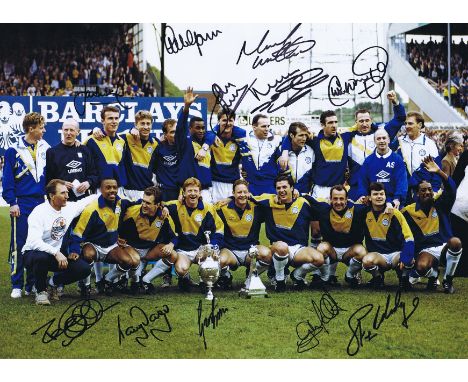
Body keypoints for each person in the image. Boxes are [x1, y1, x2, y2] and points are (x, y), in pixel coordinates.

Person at [22, 180, 98, 305]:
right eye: (63, 193)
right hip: (32, 254)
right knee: (41, 257)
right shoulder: (39, 212)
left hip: (55, 256)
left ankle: (52, 283)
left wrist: (104, 193)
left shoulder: (68, 208)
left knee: (84, 269)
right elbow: (34, 241)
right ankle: (41, 292)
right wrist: (56, 252)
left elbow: (85, 201)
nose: (67, 196)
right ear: (52, 196)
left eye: (67, 192)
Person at [2, 112, 50, 298]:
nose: (44, 130)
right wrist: (12, 202)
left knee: (36, 244)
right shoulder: (14, 150)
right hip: (21, 204)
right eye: (42, 127)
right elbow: (7, 181)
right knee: (18, 244)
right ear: (31, 128)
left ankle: (31, 284)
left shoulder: (45, 147)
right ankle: (16, 284)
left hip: (40, 203)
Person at [252, 174, 324, 292]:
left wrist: (302, 194)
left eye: (285, 187)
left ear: (292, 188)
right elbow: (247, 197)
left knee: (319, 259)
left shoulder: (303, 202)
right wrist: (229, 198)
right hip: (278, 247)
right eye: (278, 188)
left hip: (298, 249)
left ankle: (297, 275)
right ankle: (279, 280)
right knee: (282, 247)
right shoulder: (269, 201)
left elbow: (322, 205)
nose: (281, 190)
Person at [69, 178, 140, 296]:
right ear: (101, 190)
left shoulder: (121, 202)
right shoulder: (91, 209)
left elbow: (138, 203)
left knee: (128, 261)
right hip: (93, 245)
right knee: (87, 255)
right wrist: (74, 250)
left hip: (111, 246)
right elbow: (78, 233)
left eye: (114, 187)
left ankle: (105, 281)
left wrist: (162, 206)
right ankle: (85, 286)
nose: (112, 190)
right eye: (108, 187)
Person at [402, 157, 462, 293]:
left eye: (429, 189)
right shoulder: (408, 211)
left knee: (455, 242)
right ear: (417, 194)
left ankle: (448, 280)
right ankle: (433, 275)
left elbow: (451, 190)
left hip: (443, 246)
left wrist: (439, 172)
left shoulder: (441, 204)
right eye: (423, 190)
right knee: (421, 267)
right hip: (426, 250)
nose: (427, 192)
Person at [165, 177, 224, 291]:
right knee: (181, 269)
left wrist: (212, 246)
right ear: (184, 193)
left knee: (211, 256)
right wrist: (164, 209)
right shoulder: (176, 205)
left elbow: (219, 229)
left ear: (200, 193)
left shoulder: (208, 208)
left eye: (195, 191)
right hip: (183, 250)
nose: (193, 194)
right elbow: (161, 204)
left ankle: (205, 281)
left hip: (201, 249)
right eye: (189, 191)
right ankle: (185, 278)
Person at [303, 185, 368, 287]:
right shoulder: (323, 208)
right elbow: (308, 199)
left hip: (350, 252)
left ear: (347, 199)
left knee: (362, 252)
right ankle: (325, 277)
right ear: (330, 199)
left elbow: (375, 204)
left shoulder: (357, 210)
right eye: (335, 198)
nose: (338, 202)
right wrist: (297, 192)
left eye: (341, 199)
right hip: (331, 251)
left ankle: (350, 275)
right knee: (321, 247)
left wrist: (387, 203)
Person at [118, 185, 178, 294]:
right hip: (131, 252)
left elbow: (175, 236)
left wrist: (171, 244)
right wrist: (118, 238)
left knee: (173, 254)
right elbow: (117, 228)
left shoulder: (164, 216)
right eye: (143, 201)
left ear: (157, 205)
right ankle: (119, 278)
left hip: (148, 252)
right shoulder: (131, 212)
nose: (144, 205)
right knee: (130, 279)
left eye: (148, 203)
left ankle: (146, 280)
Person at [347, 90, 406, 201]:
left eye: (367, 120)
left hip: (379, 186)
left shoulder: (381, 133)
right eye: (361, 121)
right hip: (356, 187)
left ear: (371, 120)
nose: (364, 124)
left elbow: (400, 118)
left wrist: (395, 102)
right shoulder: (348, 138)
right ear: (356, 122)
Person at [216, 179, 271, 289]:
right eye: (239, 192)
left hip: (250, 251)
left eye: (245, 192)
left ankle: (251, 276)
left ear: (249, 193)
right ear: (233, 194)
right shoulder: (223, 208)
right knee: (219, 261)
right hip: (230, 251)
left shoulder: (257, 208)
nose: (242, 195)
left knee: (267, 254)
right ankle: (225, 275)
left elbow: (273, 199)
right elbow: (210, 209)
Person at [360, 182, 415, 290]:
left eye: (382, 194)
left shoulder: (395, 213)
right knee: (366, 261)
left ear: (386, 196)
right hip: (378, 256)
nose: (379, 196)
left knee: (409, 259)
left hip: (395, 254)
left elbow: (409, 237)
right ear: (370, 198)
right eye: (375, 194)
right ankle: (378, 277)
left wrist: (405, 256)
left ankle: (403, 278)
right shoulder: (364, 213)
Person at [45, 118, 98, 201]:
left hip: (83, 201)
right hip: (62, 202)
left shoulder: (85, 150)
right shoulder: (52, 152)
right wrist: (61, 184)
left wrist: (88, 183)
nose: (68, 133)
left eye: (72, 130)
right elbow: (48, 180)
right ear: (62, 130)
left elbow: (94, 174)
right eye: (66, 130)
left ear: (78, 132)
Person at [392, 111, 441, 199]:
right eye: (405, 123)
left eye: (410, 123)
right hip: (403, 192)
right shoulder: (399, 142)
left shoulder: (429, 144)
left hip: (424, 192)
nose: (407, 126)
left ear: (419, 125)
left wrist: (435, 189)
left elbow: (437, 170)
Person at [355, 129, 408, 209]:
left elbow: (402, 181)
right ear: (374, 141)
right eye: (378, 138)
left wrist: (397, 198)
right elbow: (362, 181)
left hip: (394, 202)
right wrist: (363, 195)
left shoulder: (397, 159)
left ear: (389, 140)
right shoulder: (368, 161)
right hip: (373, 202)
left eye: (384, 138)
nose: (381, 141)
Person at [85, 105, 127, 194]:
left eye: (116, 118)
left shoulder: (122, 141)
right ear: (103, 121)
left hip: (118, 189)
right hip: (99, 189)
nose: (114, 121)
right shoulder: (91, 140)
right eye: (110, 118)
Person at [210, 108, 248, 202]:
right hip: (214, 183)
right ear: (218, 121)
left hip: (232, 183)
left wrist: (245, 170)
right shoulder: (210, 136)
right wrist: (212, 134)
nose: (227, 123)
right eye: (224, 120)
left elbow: (247, 157)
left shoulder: (240, 137)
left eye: (230, 120)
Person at [241, 114, 282, 195]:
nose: (267, 129)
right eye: (263, 126)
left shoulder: (277, 140)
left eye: (268, 126)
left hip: (270, 186)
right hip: (250, 186)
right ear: (254, 127)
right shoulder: (244, 139)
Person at [150, 118, 180, 202]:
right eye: (172, 132)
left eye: (177, 131)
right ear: (165, 134)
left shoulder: (184, 146)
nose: (176, 134)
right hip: (163, 191)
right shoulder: (158, 147)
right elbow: (153, 168)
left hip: (179, 192)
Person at [451, 149, 468, 277]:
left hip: (460, 204)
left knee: (460, 238)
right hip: (461, 204)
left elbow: (456, 178)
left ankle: (458, 268)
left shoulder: (466, 154)